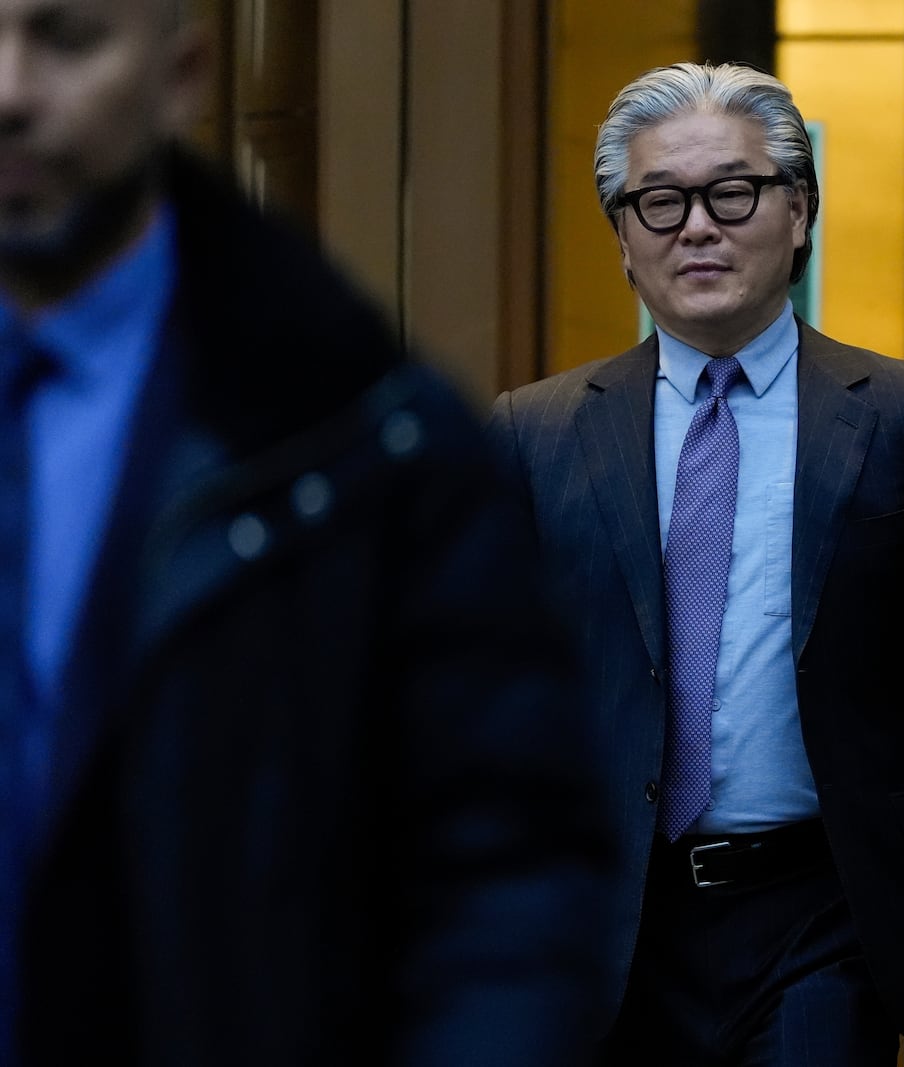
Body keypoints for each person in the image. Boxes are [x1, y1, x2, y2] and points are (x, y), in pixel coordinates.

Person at [1, 1, 610, 1063]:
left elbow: (505, 874)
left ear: (182, 72)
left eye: (67, 38)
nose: (7, 92)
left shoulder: (365, 438)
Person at [490, 61, 904, 1065]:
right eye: (659, 202)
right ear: (623, 238)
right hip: (610, 918)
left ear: (797, 209)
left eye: (732, 191)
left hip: (823, 907)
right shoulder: (535, 433)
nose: (697, 227)